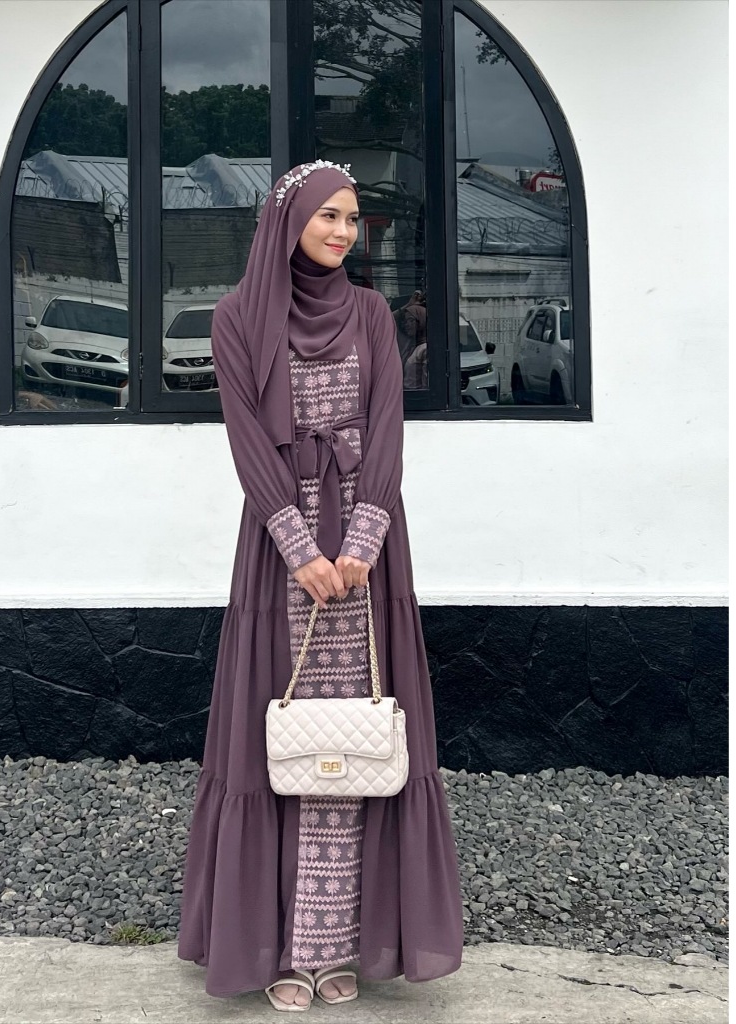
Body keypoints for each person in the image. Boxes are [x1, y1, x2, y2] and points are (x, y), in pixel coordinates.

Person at [177, 161, 464, 1011]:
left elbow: (387, 427)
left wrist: (364, 538)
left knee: (361, 737)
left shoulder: (371, 314)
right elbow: (245, 439)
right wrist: (299, 546)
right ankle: (278, 950)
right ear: (289, 220)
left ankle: (339, 944)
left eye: (351, 217)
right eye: (327, 215)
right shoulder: (236, 319)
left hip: (368, 546)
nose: (343, 231)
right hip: (280, 549)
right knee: (280, 738)